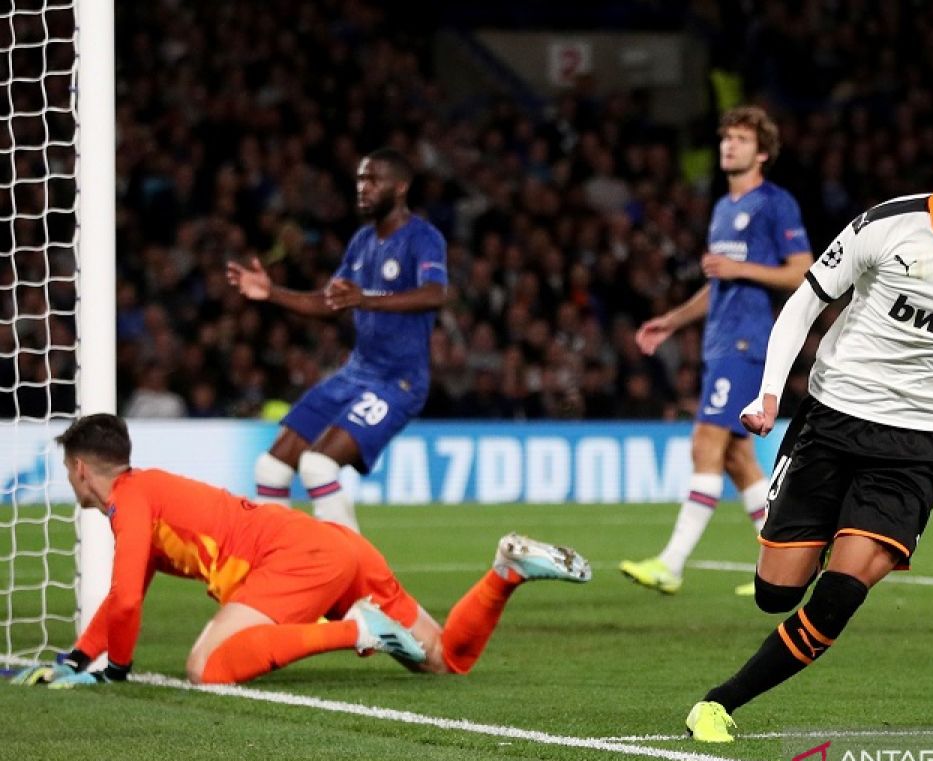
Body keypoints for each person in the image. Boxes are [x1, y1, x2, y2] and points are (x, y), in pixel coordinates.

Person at [685, 109, 933, 742]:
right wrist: (770, 395)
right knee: (776, 593)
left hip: (916, 445)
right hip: (833, 420)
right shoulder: (887, 225)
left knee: (842, 592)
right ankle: (821, 531)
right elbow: (804, 303)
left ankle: (720, 703)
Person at [10, 414, 590, 687]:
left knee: (206, 667)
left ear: (81, 469)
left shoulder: (131, 500)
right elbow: (126, 599)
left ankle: (355, 630)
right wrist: (76, 657)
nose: (70, 480)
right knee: (444, 658)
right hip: (331, 546)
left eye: (68, 471)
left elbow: (127, 596)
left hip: (294, 557)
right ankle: (504, 574)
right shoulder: (150, 494)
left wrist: (114, 672)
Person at [619, 106, 813, 596]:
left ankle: (671, 563)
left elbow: (801, 271)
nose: (729, 145)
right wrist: (672, 319)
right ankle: (786, 565)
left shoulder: (776, 204)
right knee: (737, 459)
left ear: (762, 152)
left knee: (705, 444)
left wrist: (741, 271)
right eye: (726, 137)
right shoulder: (723, 209)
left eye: (742, 139)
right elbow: (717, 284)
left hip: (748, 341)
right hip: (719, 340)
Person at [226, 148, 447, 532]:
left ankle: (359, 585)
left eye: (373, 180)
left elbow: (434, 294)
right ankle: (277, 566)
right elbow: (329, 303)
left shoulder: (423, 238)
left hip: (399, 382)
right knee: (271, 468)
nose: (363, 188)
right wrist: (272, 292)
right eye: (360, 179)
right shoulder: (362, 242)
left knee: (317, 465)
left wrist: (366, 299)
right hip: (355, 374)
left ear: (400, 186)